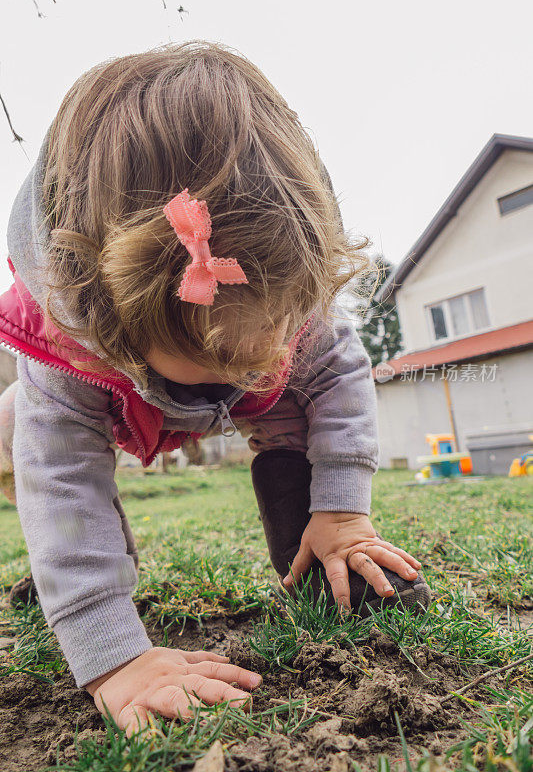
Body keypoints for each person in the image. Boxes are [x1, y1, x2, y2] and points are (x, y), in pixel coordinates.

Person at [0, 41, 430, 737]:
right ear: (111, 324)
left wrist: (344, 511)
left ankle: (312, 551)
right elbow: (64, 489)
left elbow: (340, 380)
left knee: (294, 388)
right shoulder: (70, 355)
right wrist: (113, 657)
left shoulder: (294, 309)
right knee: (27, 430)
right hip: (115, 403)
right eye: (219, 358)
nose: (241, 372)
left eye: (260, 349)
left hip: (265, 409)